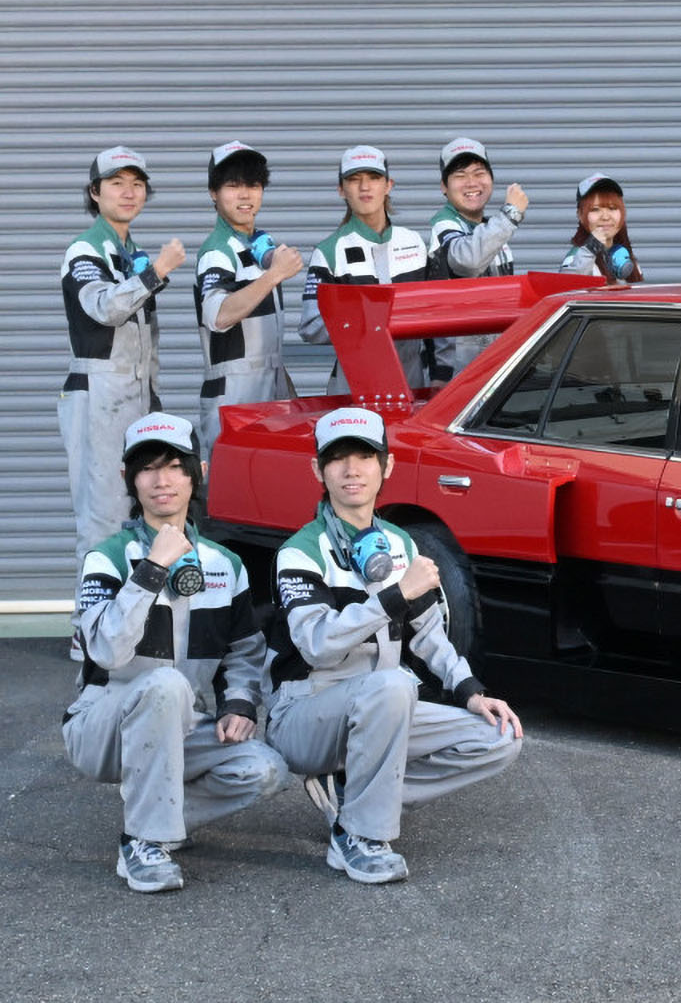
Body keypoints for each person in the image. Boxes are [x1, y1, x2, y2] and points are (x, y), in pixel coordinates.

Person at [268, 407, 523, 884]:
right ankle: (360, 837)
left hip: (380, 704)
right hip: (305, 715)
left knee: (498, 737)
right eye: (337, 458)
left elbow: (429, 635)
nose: (351, 469)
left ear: (386, 467)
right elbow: (318, 645)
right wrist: (393, 597)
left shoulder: (401, 543)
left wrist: (470, 690)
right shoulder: (300, 551)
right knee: (391, 684)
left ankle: (351, 790)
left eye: (365, 456)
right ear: (317, 471)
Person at [66, 413, 285, 892]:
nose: (162, 480)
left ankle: (157, 813)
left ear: (197, 473)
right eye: (146, 468)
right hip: (102, 724)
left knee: (264, 768)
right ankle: (143, 842)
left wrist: (239, 705)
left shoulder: (225, 565)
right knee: (165, 683)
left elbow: (243, 653)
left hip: (180, 724)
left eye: (175, 466)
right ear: (129, 479)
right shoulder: (107, 556)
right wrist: (151, 568)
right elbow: (104, 649)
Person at [60, 146, 186, 559]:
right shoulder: (86, 250)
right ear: (95, 192)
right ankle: (88, 623)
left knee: (141, 511)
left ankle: (133, 619)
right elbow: (103, 308)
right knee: (103, 519)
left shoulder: (129, 251)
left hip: (138, 397)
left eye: (137, 184)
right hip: (98, 394)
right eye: (117, 184)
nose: (129, 193)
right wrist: (157, 272)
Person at [300, 146, 437, 392]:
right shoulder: (329, 251)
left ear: (388, 185)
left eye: (374, 178)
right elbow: (311, 327)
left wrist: (439, 374)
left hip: (414, 382)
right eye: (354, 180)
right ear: (341, 190)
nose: (365, 187)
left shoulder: (414, 242)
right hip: (353, 387)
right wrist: (365, 318)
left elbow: (435, 316)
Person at [195, 141, 300, 456]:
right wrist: (272, 276)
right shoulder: (217, 251)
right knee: (232, 496)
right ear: (213, 193)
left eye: (253, 185)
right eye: (232, 185)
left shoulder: (258, 243)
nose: (244, 195)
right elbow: (218, 316)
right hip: (233, 393)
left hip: (271, 385)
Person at [426, 136, 527, 376]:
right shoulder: (444, 225)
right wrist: (511, 214)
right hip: (456, 373)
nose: (471, 183)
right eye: (460, 176)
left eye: (479, 173)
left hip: (490, 365)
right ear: (444, 186)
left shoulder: (490, 230)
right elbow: (468, 261)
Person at [558, 173, 644, 283]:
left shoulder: (623, 254)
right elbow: (565, 286)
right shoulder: (576, 258)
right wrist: (591, 248)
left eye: (612, 208)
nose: (605, 217)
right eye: (595, 209)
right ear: (580, 215)